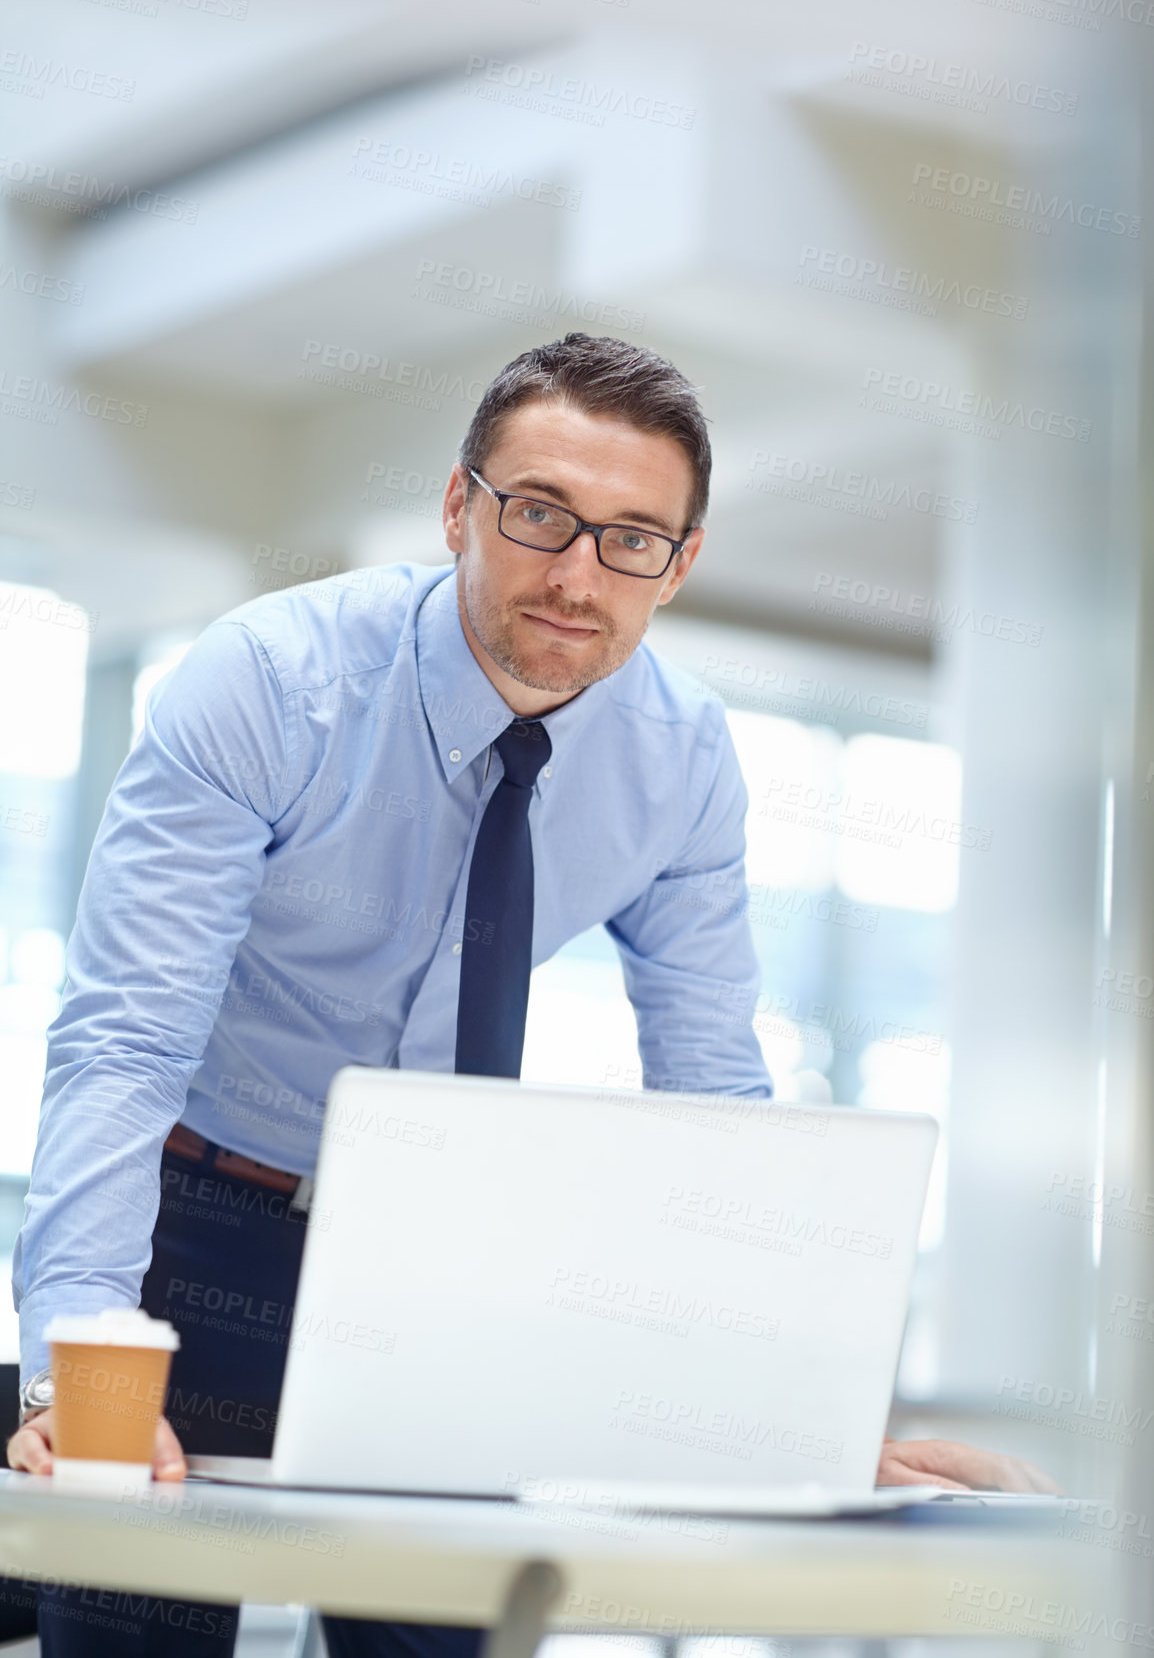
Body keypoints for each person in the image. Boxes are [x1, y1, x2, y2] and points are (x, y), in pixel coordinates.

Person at [6, 333, 1056, 1656]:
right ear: (460, 507)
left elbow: (716, 1098)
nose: (576, 575)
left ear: (678, 566)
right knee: (133, 1627)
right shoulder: (272, 684)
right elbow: (125, 1037)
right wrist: (74, 1367)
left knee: (452, 1635)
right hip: (199, 1229)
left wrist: (801, 1416)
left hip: (443, 1264)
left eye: (630, 539)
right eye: (540, 514)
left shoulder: (677, 761)